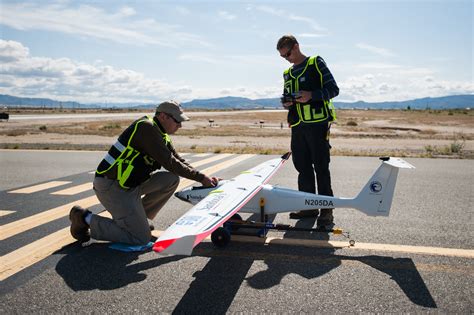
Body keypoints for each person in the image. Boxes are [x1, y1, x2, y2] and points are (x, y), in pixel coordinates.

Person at [69, 100, 219, 245]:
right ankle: (84, 218)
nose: (180, 125)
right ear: (163, 116)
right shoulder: (147, 129)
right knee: (140, 238)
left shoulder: (161, 133)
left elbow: (177, 159)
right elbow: (170, 162)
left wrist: (203, 177)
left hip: (130, 184)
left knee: (171, 179)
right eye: (177, 121)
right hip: (112, 186)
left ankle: (138, 220)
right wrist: (201, 178)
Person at [276, 35, 339, 227]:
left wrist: (311, 95)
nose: (286, 58)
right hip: (298, 126)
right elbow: (289, 98)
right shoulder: (287, 72)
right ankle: (308, 206)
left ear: (296, 47)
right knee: (302, 167)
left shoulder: (315, 63)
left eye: (287, 54)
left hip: (317, 124)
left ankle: (327, 210)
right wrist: (287, 102)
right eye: (282, 56)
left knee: (321, 167)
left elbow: (333, 90)